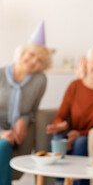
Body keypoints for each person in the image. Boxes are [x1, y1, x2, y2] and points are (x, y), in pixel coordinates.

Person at [46, 26, 93, 185]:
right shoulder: (75, 86)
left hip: (90, 137)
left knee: (81, 142)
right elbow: (60, 116)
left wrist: (79, 134)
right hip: (71, 133)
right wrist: (59, 125)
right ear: (88, 62)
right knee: (58, 139)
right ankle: (60, 182)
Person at [0, 23, 52, 185]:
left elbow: (32, 111)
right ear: (22, 52)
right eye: (31, 55)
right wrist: (2, 132)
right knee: (3, 144)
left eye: (39, 60)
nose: (33, 61)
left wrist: (24, 119)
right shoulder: (1, 74)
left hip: (19, 132)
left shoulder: (40, 80)